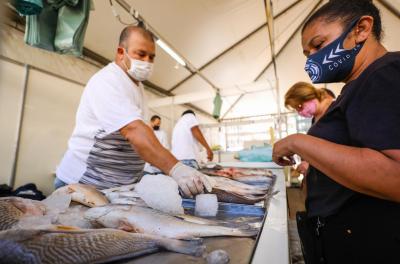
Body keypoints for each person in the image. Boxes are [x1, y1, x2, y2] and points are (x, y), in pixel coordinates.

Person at [272, 1, 400, 263]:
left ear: (361, 29)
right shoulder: (356, 86)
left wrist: (298, 142)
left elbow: (395, 176)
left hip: (366, 242)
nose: (312, 59)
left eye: (318, 46)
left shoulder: (382, 75)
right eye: (308, 54)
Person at [55, 26, 211, 198]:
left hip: (113, 188)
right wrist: (176, 168)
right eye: (141, 54)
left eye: (151, 57)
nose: (147, 61)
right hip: (84, 183)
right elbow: (133, 130)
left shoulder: (138, 87)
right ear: (121, 52)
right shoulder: (108, 81)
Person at [284, 82, 336, 174]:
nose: (299, 112)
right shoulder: (315, 119)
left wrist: (312, 165)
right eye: (296, 109)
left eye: (300, 106)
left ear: (309, 96)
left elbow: (336, 152)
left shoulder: (334, 112)